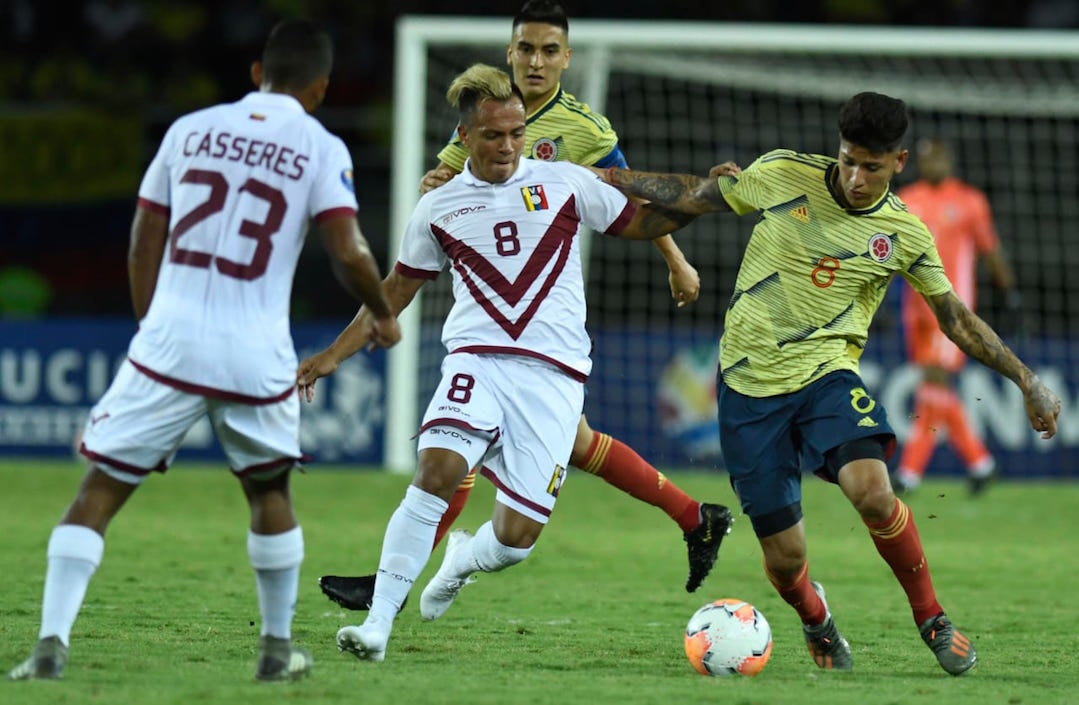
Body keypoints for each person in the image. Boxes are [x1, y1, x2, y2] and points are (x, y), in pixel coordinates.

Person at [598, 91, 1060, 675]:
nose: (856, 177)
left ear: (899, 161)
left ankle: (933, 618)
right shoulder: (785, 173)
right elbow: (690, 194)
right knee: (787, 560)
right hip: (746, 386)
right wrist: (602, 179)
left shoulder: (904, 233)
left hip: (827, 376)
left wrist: (1027, 380)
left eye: (872, 166)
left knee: (872, 491)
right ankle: (817, 620)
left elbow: (956, 318)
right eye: (848, 160)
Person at [7, 19, 401, 682]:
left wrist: (151, 332)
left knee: (99, 489)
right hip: (255, 353)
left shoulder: (187, 130)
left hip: (170, 343)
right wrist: (383, 314)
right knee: (268, 492)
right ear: (321, 87)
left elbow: (141, 244)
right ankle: (275, 650)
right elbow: (348, 251)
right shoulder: (319, 143)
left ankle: (49, 643)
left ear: (256, 73)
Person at [317, 0, 733, 616]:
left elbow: (631, 197)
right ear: (510, 53)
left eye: (548, 50)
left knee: (496, 443)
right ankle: (694, 516)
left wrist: (674, 257)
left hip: (545, 301)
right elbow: (449, 184)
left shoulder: (587, 128)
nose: (535, 61)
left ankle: (395, 585)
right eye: (525, 49)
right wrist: (435, 182)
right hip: (494, 306)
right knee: (534, 440)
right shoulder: (486, 108)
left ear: (566, 58)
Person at [892, 138, 1021, 495]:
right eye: (927, 158)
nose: (933, 164)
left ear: (950, 159)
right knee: (932, 387)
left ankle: (909, 474)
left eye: (939, 157)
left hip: (950, 306)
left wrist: (1009, 292)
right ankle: (980, 463)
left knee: (934, 382)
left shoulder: (969, 201)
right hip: (912, 305)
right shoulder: (906, 199)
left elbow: (990, 250)